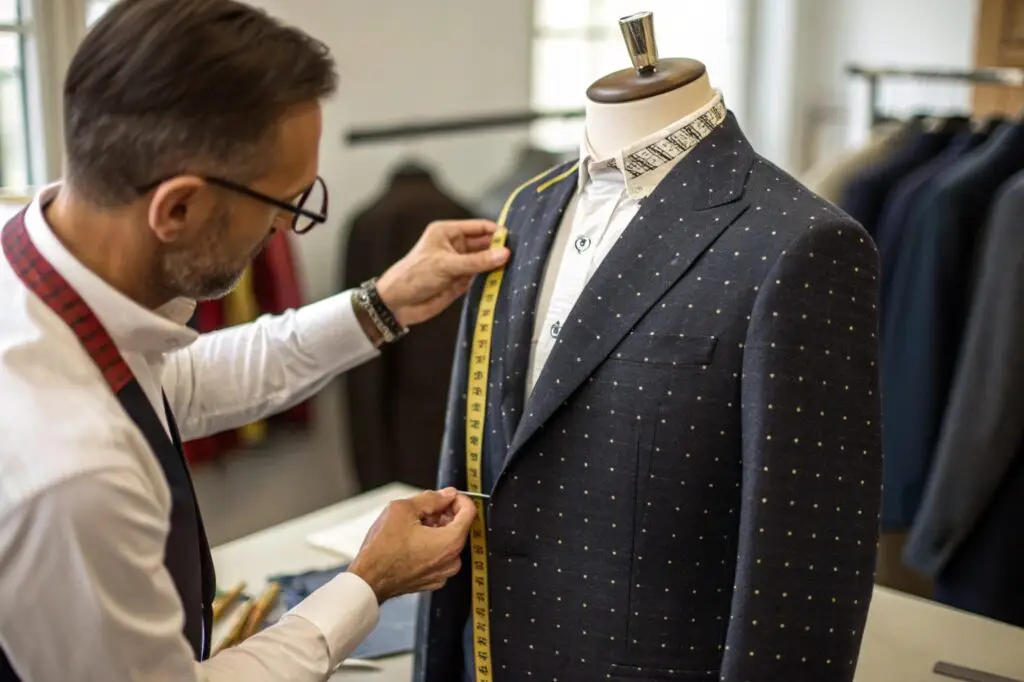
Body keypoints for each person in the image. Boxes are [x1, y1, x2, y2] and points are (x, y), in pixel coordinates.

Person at [0, 1, 510, 681]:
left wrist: (382, 304)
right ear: (177, 208)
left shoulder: (37, 270)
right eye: (287, 204)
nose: (288, 230)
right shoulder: (72, 475)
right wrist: (367, 584)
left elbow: (181, 383)